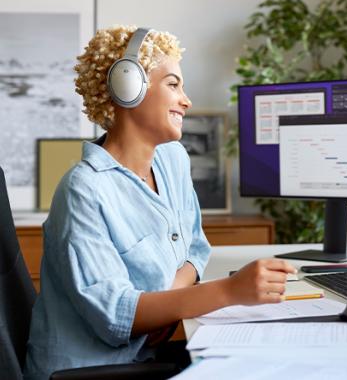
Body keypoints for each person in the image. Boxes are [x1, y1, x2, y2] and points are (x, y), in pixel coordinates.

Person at [24, 26, 296, 379]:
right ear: (128, 88)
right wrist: (229, 291)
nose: (186, 100)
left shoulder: (173, 159)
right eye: (173, 84)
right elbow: (115, 317)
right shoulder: (84, 190)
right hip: (90, 371)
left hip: (145, 355)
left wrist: (161, 306)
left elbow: (196, 247)